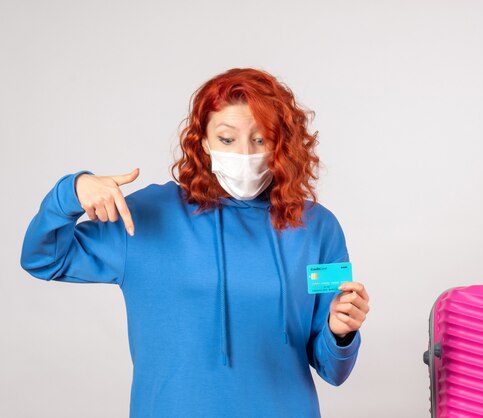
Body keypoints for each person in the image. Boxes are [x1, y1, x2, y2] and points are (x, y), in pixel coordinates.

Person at [20, 67, 370, 417]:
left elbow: (333, 370)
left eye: (260, 139)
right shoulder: (148, 216)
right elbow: (44, 258)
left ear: (281, 143)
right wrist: (71, 192)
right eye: (227, 139)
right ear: (203, 140)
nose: (245, 153)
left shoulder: (316, 227)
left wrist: (340, 333)